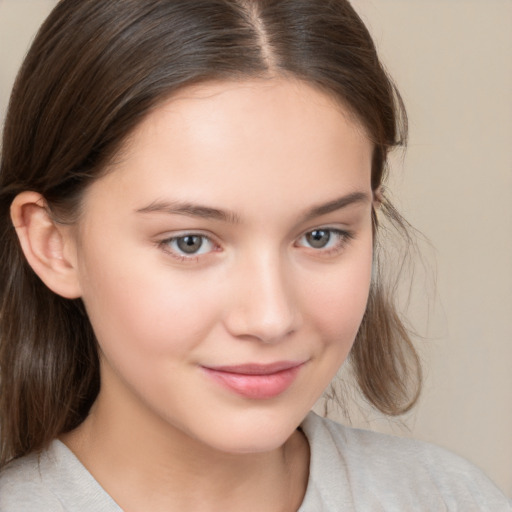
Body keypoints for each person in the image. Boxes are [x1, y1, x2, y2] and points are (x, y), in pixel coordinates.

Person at [0, 0, 509, 510]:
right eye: (190, 242)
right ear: (54, 245)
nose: (271, 318)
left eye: (321, 236)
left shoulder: (450, 499)